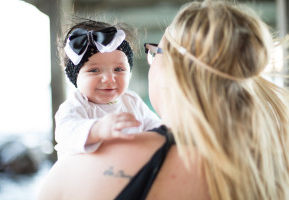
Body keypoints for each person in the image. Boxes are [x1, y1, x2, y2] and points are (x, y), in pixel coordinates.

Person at [38, 1, 289, 199]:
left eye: (155, 51)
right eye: (94, 71)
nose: (108, 79)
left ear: (174, 67)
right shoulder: (271, 156)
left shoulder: (77, 172)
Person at [55, 20, 162, 158]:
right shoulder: (75, 106)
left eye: (118, 69)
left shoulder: (132, 101)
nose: (109, 78)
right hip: (83, 176)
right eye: (94, 70)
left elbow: (154, 127)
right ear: (75, 76)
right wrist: (97, 130)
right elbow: (66, 134)